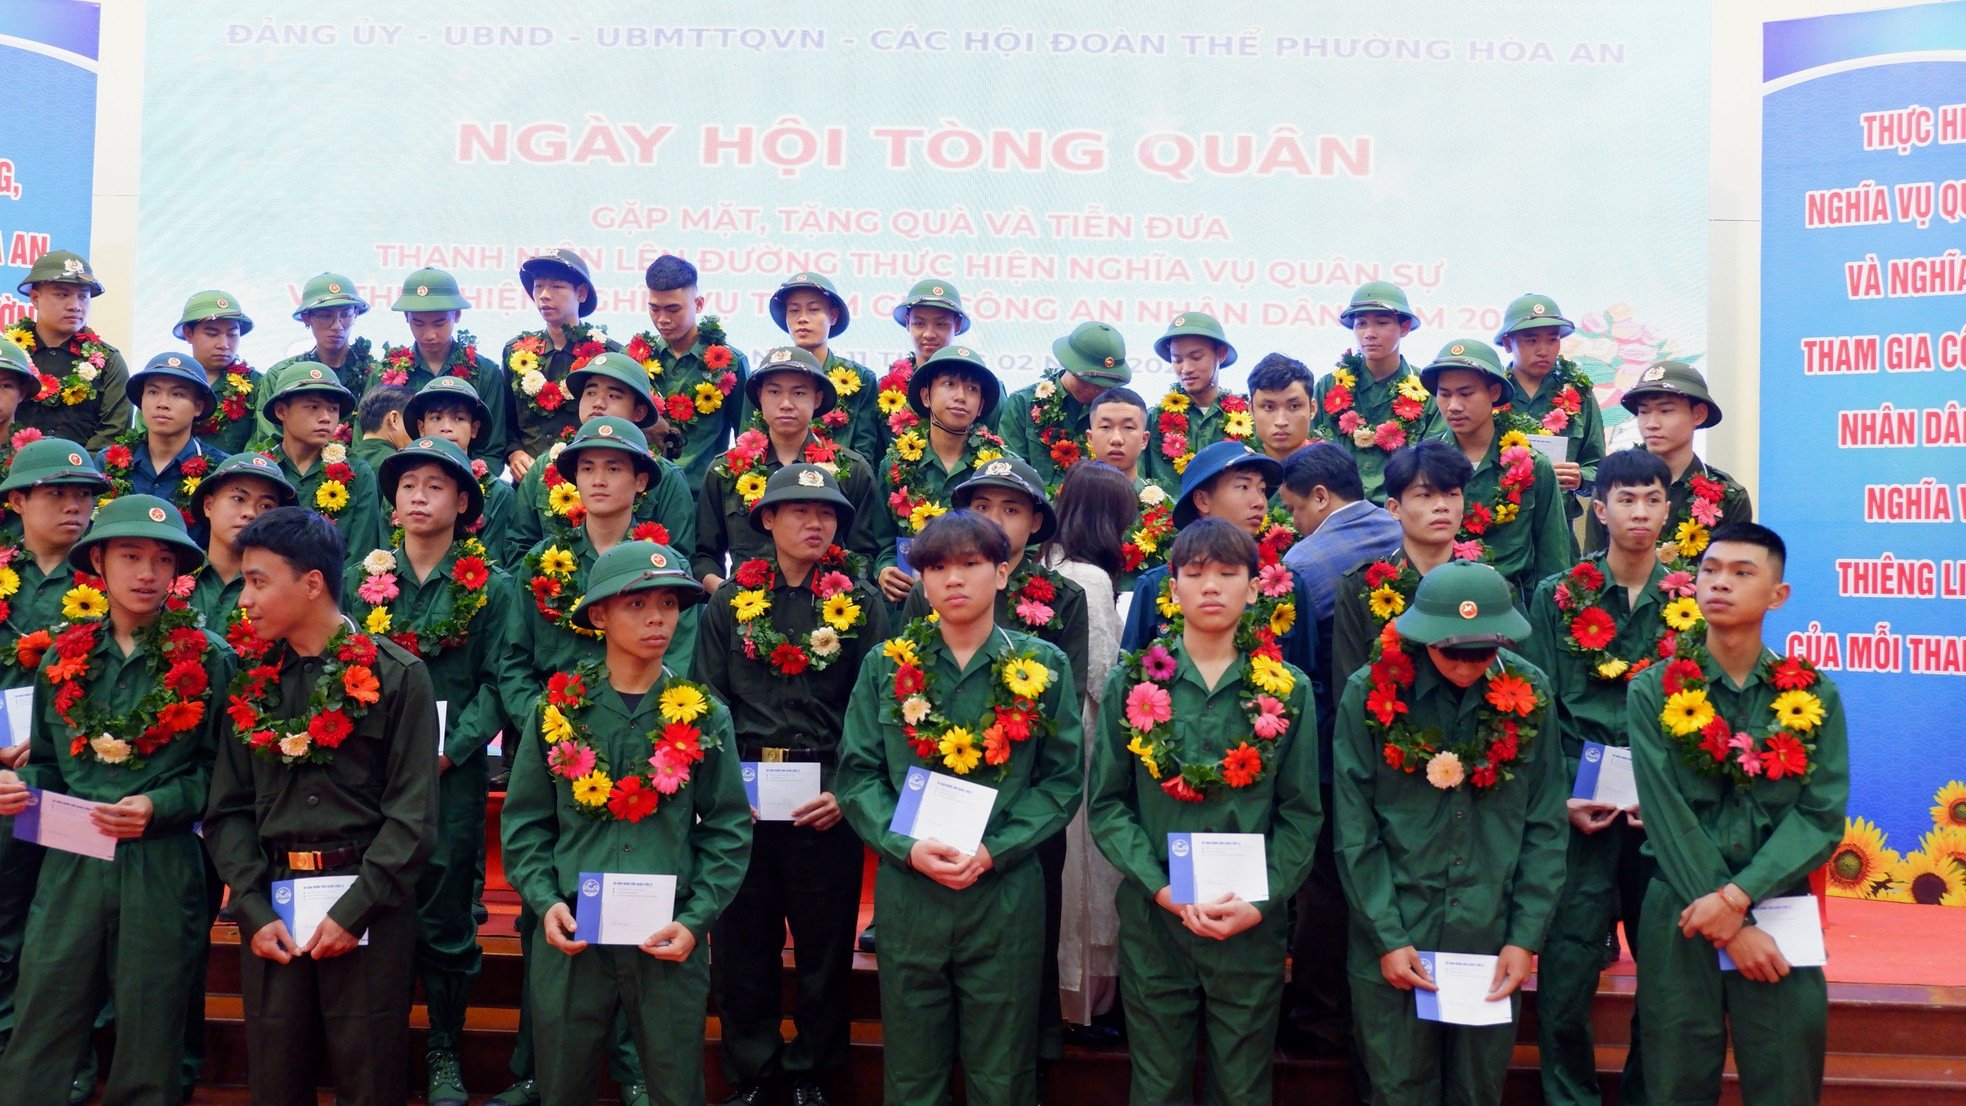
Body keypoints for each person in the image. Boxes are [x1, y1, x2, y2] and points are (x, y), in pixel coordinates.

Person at [836, 510, 1082, 1106]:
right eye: (938, 566)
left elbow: (1061, 781)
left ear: (1002, 573)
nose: (954, 579)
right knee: (913, 1075)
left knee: (1003, 1076)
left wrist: (995, 850)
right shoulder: (887, 664)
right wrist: (908, 847)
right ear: (920, 579)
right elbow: (858, 775)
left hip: (1003, 892)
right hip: (910, 891)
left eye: (971, 564)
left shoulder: (1043, 666)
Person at [0, 495, 232, 1106]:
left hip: (160, 858)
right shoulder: (63, 654)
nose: (147, 573)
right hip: (71, 847)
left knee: (153, 1027)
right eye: (130, 555)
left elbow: (224, 778)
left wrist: (161, 804)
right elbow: (47, 762)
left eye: (162, 559)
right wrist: (24, 791)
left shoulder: (210, 659)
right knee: (45, 1011)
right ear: (98, 562)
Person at [202, 506, 438, 1106]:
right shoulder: (250, 679)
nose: (244, 599)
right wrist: (252, 908)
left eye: (258, 581)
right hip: (275, 906)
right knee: (277, 1079)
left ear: (312, 583)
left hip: (369, 909)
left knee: (370, 1079)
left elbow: (412, 817)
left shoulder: (398, 676)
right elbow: (228, 810)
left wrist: (354, 910)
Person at [501, 540, 750, 1106]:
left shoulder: (705, 715)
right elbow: (524, 825)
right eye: (636, 604)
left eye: (668, 603)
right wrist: (545, 901)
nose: (657, 617)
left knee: (675, 1086)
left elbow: (728, 827)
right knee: (563, 1085)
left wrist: (697, 919)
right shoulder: (556, 710)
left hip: (667, 935)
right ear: (599, 615)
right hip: (573, 930)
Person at [1090, 518, 1322, 1106]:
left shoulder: (1289, 689)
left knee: (1243, 1085)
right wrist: (1161, 889)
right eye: (1195, 574)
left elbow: (1301, 814)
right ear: (1171, 588)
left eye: (1228, 573)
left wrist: (1262, 901)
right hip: (1156, 920)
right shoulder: (1131, 683)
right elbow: (1110, 805)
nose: (1211, 586)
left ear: (1254, 587)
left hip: (1249, 923)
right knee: (1157, 1082)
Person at [1333, 560, 1566, 1106]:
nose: (1467, 667)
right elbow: (1354, 828)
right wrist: (1387, 937)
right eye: (1452, 651)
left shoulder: (1529, 691)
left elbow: (1545, 824)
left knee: (1477, 1091)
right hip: (1394, 933)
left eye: (1482, 652)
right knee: (1397, 1090)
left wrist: (1523, 937)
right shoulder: (1368, 693)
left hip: (1491, 937)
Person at [1628, 522, 1846, 1105]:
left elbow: (1820, 817)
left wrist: (1738, 901)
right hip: (1680, 903)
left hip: (1778, 903)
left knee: (1785, 1074)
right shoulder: (1653, 689)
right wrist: (1728, 914)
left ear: (1778, 595)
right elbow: (1666, 815)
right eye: (1710, 570)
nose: (1720, 584)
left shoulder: (1814, 694)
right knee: (1674, 1078)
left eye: (1742, 573)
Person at [495, 416, 679, 1106]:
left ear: (640, 482)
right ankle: (538, 1064)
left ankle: (632, 1065)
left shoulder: (661, 569)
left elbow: (679, 670)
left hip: (644, 751)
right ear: (570, 482)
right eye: (587, 468)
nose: (599, 480)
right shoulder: (539, 561)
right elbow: (511, 663)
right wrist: (548, 725)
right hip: (554, 751)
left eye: (615, 468)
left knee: (635, 904)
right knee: (548, 919)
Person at [693, 464, 887, 1106]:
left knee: (824, 946)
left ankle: (811, 1074)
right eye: (798, 510)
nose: (814, 522)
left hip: (824, 798)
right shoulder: (728, 601)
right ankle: (751, 1072)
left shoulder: (860, 602)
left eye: (827, 512)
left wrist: (847, 789)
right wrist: (724, 792)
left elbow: (876, 705)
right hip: (744, 798)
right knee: (743, 946)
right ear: (767, 520)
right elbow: (708, 699)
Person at [897, 455, 1091, 1065]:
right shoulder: (915, 617)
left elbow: (1063, 720)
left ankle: (1030, 1057)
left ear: (1035, 524)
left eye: (1011, 510)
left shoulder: (1062, 597)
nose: (997, 521)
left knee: (1019, 964)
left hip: (1017, 816)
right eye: (981, 508)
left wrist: (1002, 840)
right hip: (927, 831)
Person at [346, 435, 518, 1106]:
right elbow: (343, 669)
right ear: (392, 503)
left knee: (446, 915)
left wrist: (451, 750)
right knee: (374, 906)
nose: (419, 496)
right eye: (408, 485)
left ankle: (445, 1045)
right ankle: (376, 1048)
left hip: (451, 774)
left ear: (463, 503)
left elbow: (499, 684)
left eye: (435, 486)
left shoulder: (493, 586)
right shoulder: (362, 582)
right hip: (372, 776)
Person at [1524, 447, 1684, 1106]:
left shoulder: (1692, 599)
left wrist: (1669, 797)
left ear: (1668, 509)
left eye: (1651, 499)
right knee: (1564, 979)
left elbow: (1701, 718)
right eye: (1626, 499)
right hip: (1579, 815)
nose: (1639, 512)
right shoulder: (1558, 597)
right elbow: (1536, 707)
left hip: (1660, 822)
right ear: (1601, 507)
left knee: (1668, 981)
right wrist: (1564, 791)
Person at [1274, 441, 1400, 1056]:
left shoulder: (1305, 562)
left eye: (1296, 508)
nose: (1294, 521)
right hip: (1410, 747)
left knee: (1325, 883)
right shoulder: (1400, 532)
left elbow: (1298, 672)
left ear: (1321, 497)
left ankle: (1320, 1018)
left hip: (1332, 748)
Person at [0, 440, 109, 1072]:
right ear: (17, 501)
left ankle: (72, 1064)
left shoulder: (111, 580)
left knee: (76, 925)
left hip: (78, 780)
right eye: (56, 493)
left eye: (85, 496)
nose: (74, 506)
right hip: (4, 781)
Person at [1040, 460, 1132, 1039]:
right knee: (1089, 877)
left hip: (1046, 739)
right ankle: (1086, 1006)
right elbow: (1104, 677)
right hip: (1090, 738)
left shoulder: (1044, 564)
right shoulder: (1091, 578)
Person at [1118, 441, 1315, 678]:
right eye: (1243, 487)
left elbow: (1311, 682)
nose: (1259, 502)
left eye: (1262, 489)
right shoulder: (1156, 585)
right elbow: (1129, 677)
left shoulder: (1288, 585)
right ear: (1202, 500)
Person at [692, 347, 880, 591]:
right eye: (774, 391)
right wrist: (726, 597)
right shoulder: (725, 470)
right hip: (743, 614)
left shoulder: (851, 470)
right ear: (759, 396)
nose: (786, 404)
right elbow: (704, 557)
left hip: (826, 617)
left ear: (818, 399)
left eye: (799, 392)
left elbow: (865, 556)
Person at [504, 351, 696, 570]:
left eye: (614, 396)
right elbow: (518, 549)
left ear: (639, 411)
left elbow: (678, 561)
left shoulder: (665, 476)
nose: (598, 403)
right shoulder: (545, 466)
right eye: (591, 392)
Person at [1422, 338, 1571, 599]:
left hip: (1512, 608)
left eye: (1466, 394)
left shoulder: (1534, 465)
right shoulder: (1421, 463)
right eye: (1444, 394)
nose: (1453, 406)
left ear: (1493, 393)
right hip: (1439, 602)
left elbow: (1553, 560)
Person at [870, 344, 1008, 605]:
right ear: (925, 396)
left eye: (972, 389)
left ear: (981, 407)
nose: (961, 396)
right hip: (911, 604)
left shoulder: (1000, 466)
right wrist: (885, 568)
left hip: (981, 603)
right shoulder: (894, 465)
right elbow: (882, 540)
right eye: (949, 384)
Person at [1329, 440, 1473, 686]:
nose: (1441, 506)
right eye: (1425, 495)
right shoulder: (1361, 588)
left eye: (1452, 494)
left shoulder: (1487, 586)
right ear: (1394, 508)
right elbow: (1349, 686)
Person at [1584, 361, 1753, 570]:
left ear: (1698, 414)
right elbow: (1592, 571)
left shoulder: (1729, 497)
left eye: (1665, 411)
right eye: (1644, 412)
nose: (1651, 423)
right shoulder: (1612, 484)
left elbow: (1732, 579)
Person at [1311, 281, 1438, 505]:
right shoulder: (1328, 386)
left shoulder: (1428, 389)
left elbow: (1434, 464)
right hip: (1337, 514)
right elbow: (1311, 452)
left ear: (1405, 327)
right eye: (1361, 324)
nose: (1369, 334)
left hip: (1402, 515)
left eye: (1381, 323)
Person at [626, 255, 748, 488]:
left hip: (701, 497)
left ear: (699, 304)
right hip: (639, 492)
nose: (662, 320)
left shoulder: (731, 362)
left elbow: (745, 437)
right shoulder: (632, 358)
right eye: (654, 309)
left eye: (673, 309)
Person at [372, 268, 513, 469]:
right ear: (406, 316)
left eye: (439, 323)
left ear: (456, 315)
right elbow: (372, 444)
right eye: (418, 323)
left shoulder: (485, 373)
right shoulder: (385, 375)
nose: (429, 334)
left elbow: (491, 451)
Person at [504, 249, 619, 479]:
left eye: (556, 287)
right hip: (529, 481)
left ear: (582, 292)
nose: (544, 295)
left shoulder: (609, 355)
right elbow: (506, 422)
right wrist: (514, 453)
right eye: (538, 286)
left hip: (589, 480)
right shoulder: (516, 351)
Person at [1497, 293, 1605, 534]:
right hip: (1500, 527)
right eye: (1531, 340)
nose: (1543, 350)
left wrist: (1580, 478)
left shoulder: (1580, 396)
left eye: (1552, 339)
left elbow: (1598, 467)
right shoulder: (1490, 393)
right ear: (1507, 343)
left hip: (1558, 528)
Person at [6, 250, 132, 449]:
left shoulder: (108, 361)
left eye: (83, 297)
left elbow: (114, 433)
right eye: (62, 295)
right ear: (35, 298)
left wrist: (76, 472)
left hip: (82, 476)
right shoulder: (7, 354)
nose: (75, 306)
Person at [261, 367, 386, 566]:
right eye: (313, 407)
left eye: (333, 409)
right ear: (281, 411)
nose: (326, 417)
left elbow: (361, 555)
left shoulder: (358, 472)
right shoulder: (260, 470)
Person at [753, 272, 881, 463]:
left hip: (840, 485)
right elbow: (750, 443)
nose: (802, 319)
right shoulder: (763, 377)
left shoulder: (860, 378)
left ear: (833, 315)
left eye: (813, 310)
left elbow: (866, 450)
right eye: (794, 310)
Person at [99, 352, 228, 531]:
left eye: (177, 394)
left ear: (198, 407)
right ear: (141, 400)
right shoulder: (106, 462)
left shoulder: (220, 470)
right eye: (153, 392)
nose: (162, 404)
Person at [996, 321, 1131, 491]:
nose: (1094, 389)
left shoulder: (1121, 411)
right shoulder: (1023, 402)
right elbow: (1010, 469)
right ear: (1069, 364)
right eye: (1087, 380)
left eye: (1103, 383)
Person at [259, 272, 378, 444]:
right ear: (307, 318)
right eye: (326, 315)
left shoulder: (374, 373)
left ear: (356, 313)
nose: (337, 326)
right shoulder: (280, 375)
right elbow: (268, 439)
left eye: (345, 314)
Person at [404, 375, 516, 554]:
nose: (446, 427)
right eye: (436, 417)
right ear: (421, 427)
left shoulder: (499, 493)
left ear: (474, 428)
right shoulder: (402, 486)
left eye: (459, 418)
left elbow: (496, 562)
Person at [186, 453, 297, 628]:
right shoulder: (173, 578)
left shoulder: (286, 590)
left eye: (266, 506)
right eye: (238, 499)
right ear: (208, 506)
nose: (250, 513)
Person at [1145, 311, 1253, 486]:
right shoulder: (1154, 419)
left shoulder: (1247, 419)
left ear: (1221, 354)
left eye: (1196, 357)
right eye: (1177, 359)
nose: (1186, 368)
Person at [1083, 386, 1173, 590]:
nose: (1116, 439)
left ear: (1144, 440)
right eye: (1105, 427)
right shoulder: (1067, 505)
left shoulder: (1169, 513)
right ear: (1090, 437)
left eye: (1128, 428)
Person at [875, 279, 968, 464]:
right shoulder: (885, 388)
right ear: (908, 322)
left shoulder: (980, 387)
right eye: (919, 324)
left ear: (956, 325)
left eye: (941, 325)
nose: (929, 334)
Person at [166, 289, 263, 454]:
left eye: (232, 334)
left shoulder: (255, 383)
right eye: (212, 334)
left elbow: (261, 443)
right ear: (189, 333)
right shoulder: (165, 379)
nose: (224, 344)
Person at [1248, 353, 1319, 465]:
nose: (1281, 422)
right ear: (1251, 410)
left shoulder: (1336, 471)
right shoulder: (1231, 472)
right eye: (1269, 407)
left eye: (1294, 406)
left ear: (1313, 408)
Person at [352, 383, 413, 472]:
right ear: (394, 419)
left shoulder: (342, 461)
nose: (419, 432)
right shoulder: (400, 466)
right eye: (413, 422)